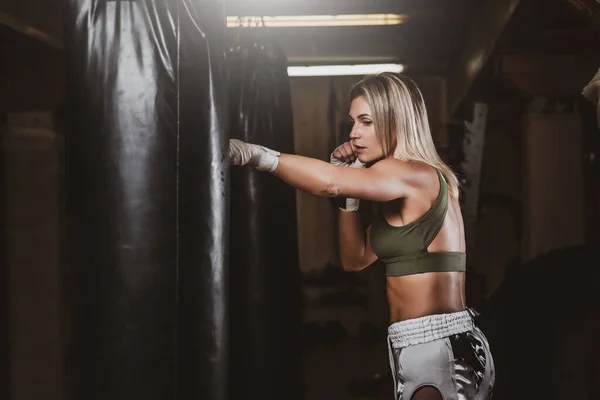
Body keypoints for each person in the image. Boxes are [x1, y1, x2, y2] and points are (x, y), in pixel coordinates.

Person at [228, 72, 494, 400]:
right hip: (420, 344)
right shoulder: (405, 190)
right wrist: (350, 194)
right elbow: (354, 259)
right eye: (353, 122)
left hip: (438, 348)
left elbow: (328, 183)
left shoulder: (414, 174)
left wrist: (258, 156)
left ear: (395, 120)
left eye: (366, 122)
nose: (353, 134)